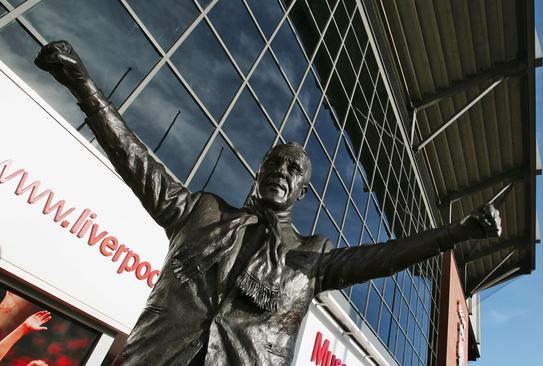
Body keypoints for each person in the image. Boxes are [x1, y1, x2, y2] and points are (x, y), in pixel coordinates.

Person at [35, 41, 501, 365]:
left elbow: (385, 257)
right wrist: (83, 86)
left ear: (301, 193)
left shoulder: (310, 257)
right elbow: (136, 162)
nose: (283, 170)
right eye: (275, 163)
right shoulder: (201, 211)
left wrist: (457, 233)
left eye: (294, 170)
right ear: (259, 173)